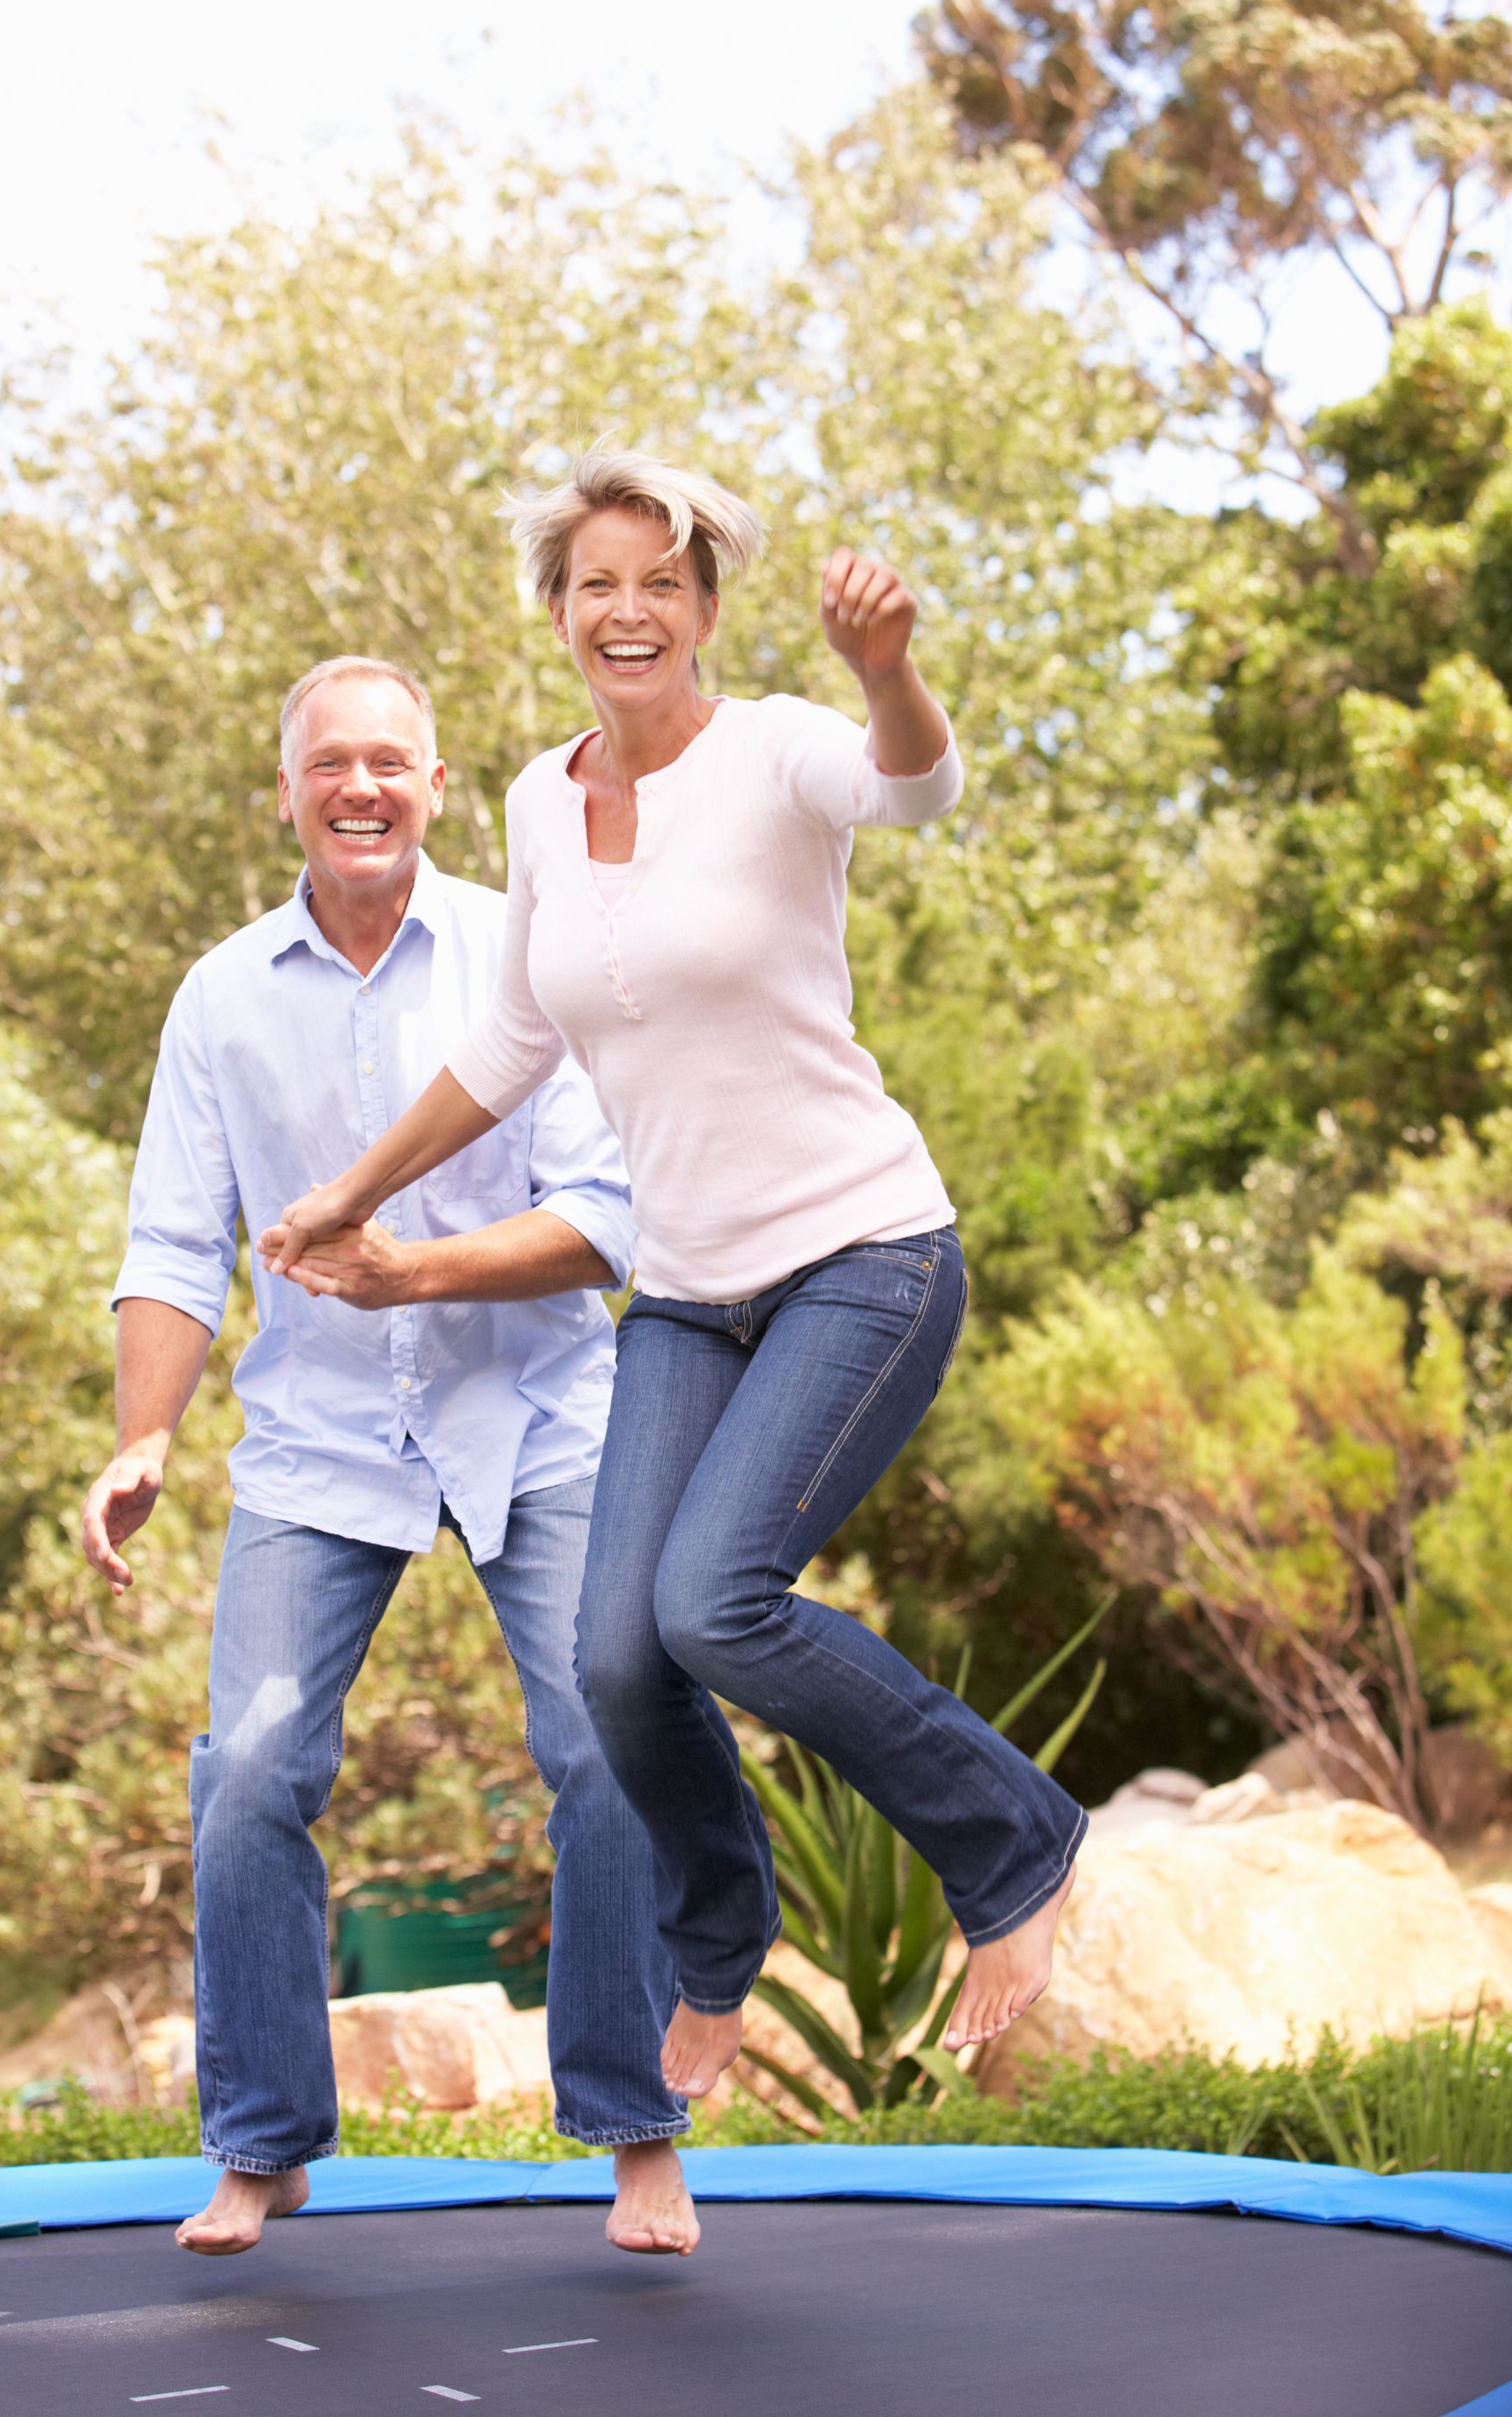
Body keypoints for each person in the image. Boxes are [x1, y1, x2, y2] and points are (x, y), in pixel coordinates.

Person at [263, 450, 1087, 2158]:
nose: (625, 610)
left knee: (719, 1602)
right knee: (620, 1653)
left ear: (706, 608)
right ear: (558, 614)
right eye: (595, 584)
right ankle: (726, 1943)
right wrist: (355, 1188)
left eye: (661, 581)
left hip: (864, 1255)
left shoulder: (783, 746)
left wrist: (887, 672)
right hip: (695, 1297)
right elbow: (509, 1042)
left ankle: (1014, 1849)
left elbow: (916, 792)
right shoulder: (543, 801)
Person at [82, 653, 704, 2263]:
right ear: (286, 794)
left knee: (606, 1745)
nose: (359, 786)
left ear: (434, 785)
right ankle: (265, 2144)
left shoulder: (521, 952)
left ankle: (639, 2135)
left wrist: (409, 1269)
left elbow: (604, 1225)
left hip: (544, 1415)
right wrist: (143, 1434)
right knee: (247, 1781)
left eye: (388, 762)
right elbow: (170, 1243)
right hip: (321, 1439)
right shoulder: (221, 998)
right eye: (328, 765)